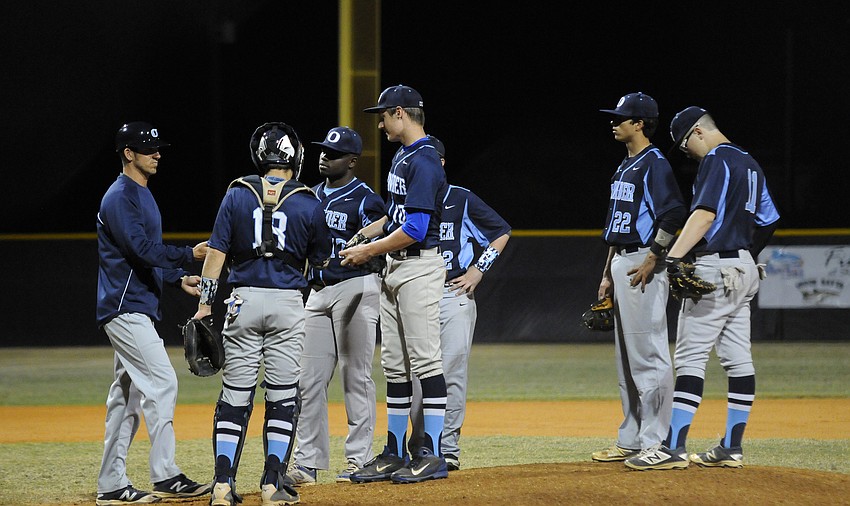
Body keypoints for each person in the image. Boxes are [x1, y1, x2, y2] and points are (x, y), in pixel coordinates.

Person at [624, 106, 780, 471]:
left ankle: (673, 448)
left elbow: (704, 215)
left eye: (684, 145)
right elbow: (769, 219)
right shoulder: (750, 163)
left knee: (690, 359)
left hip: (716, 268)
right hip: (744, 269)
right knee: (738, 359)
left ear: (697, 132)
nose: (687, 153)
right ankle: (732, 447)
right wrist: (744, 256)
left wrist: (673, 258)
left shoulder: (716, 158)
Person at [191, 122, 332, 505]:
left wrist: (205, 305)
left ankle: (223, 486)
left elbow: (216, 254)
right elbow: (321, 262)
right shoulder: (308, 201)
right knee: (283, 397)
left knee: (235, 396)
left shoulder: (237, 194)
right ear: (295, 158)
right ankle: (271, 485)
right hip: (287, 303)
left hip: (243, 302)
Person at [338, 84, 450, 484]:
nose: (380, 124)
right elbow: (396, 215)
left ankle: (432, 454)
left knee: (426, 361)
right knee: (395, 365)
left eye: (383, 116)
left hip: (419, 267)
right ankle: (394, 451)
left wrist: (368, 252)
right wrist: (365, 235)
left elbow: (416, 228)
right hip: (394, 267)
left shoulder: (425, 160)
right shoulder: (403, 155)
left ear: (400, 113)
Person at [95, 121, 211, 505]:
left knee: (125, 398)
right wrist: (188, 255)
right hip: (124, 306)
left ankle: (111, 485)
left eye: (158, 148)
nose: (157, 153)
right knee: (162, 383)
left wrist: (178, 278)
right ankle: (165, 474)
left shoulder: (141, 193)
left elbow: (144, 255)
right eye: (148, 148)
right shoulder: (120, 197)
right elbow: (141, 250)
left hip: (134, 306)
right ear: (128, 153)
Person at [590, 93, 687, 464]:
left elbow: (673, 214)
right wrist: (607, 274)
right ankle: (631, 438)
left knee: (649, 355)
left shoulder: (654, 163)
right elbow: (617, 229)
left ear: (640, 123)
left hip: (643, 263)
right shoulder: (624, 165)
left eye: (621, 118)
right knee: (627, 361)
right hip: (622, 261)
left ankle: (658, 442)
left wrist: (652, 259)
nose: (614, 123)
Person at [286, 127, 385, 486]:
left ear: (352, 161)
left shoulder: (365, 198)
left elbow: (386, 227)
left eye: (334, 153)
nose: (324, 156)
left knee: (355, 376)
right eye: (323, 150)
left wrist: (369, 240)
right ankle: (307, 463)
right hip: (317, 292)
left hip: (355, 286)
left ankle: (359, 459)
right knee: (308, 380)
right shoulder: (309, 195)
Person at [406, 136, 512, 472]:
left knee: (451, 374)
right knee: (417, 377)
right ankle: (419, 446)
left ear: (440, 163)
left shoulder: (461, 198)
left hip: (453, 294)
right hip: (418, 294)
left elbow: (501, 231)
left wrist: (479, 270)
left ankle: (447, 448)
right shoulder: (409, 199)